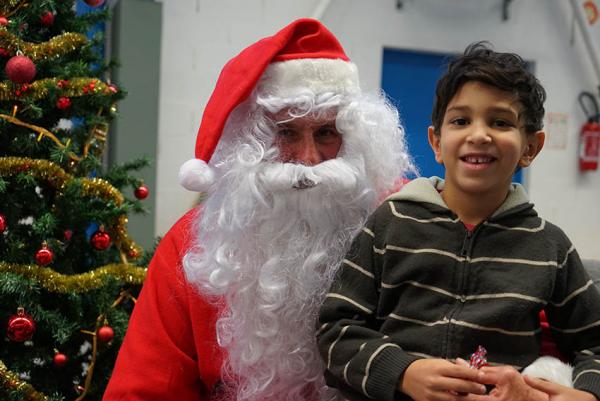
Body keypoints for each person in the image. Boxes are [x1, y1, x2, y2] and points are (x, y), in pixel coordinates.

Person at [103, 18, 413, 401]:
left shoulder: (401, 223)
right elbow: (145, 388)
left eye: (326, 133)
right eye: (287, 133)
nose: (308, 160)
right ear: (252, 143)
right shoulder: (194, 245)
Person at [316, 42, 600, 401]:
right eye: (461, 121)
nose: (478, 135)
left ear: (530, 147)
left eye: (500, 122)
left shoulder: (550, 247)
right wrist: (403, 373)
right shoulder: (391, 222)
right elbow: (335, 329)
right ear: (436, 142)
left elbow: (594, 344)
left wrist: (587, 394)